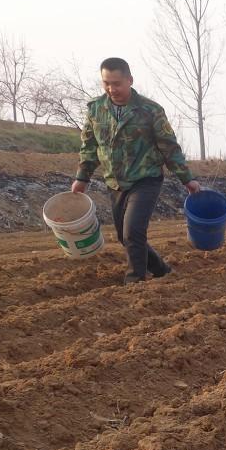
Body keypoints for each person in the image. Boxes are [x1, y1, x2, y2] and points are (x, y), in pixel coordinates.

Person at [71, 57, 201, 284]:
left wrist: (187, 179)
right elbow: (89, 146)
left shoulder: (150, 110)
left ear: (130, 80)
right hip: (115, 181)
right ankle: (162, 270)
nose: (112, 89)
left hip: (146, 178)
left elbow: (169, 147)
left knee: (133, 233)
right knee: (125, 236)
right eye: (106, 83)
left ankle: (136, 280)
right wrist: (82, 177)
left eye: (117, 83)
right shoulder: (95, 110)